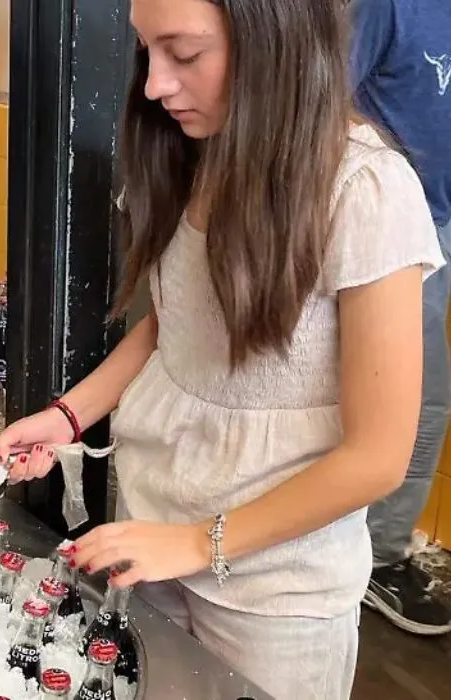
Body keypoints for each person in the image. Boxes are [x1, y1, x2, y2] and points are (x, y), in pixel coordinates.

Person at [0, 0, 444, 698]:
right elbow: (171, 326)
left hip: (274, 594)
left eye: (185, 54)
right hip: (151, 536)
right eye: (146, 51)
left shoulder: (367, 192)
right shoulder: (194, 150)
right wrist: (67, 416)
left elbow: (378, 457)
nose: (154, 85)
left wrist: (196, 542)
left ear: (277, 37)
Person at [350, 0, 451, 637]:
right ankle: (375, 559)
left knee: (420, 406)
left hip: (440, 220)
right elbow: (322, 100)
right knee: (418, 405)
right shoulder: (390, 5)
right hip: (393, 225)